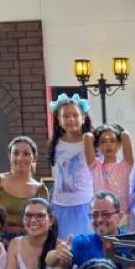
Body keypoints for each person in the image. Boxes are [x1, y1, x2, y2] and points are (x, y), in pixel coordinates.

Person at [0, 136, 50, 243]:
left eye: (26, 154)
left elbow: (44, 224)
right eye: (16, 153)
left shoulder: (41, 190)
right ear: (10, 156)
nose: (20, 158)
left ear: (35, 157)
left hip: (29, 243)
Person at [48, 94, 95, 240]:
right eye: (65, 116)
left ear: (83, 117)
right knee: (63, 245)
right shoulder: (56, 143)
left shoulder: (90, 142)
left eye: (75, 115)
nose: (71, 119)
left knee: (84, 244)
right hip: (60, 205)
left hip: (85, 204)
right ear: (59, 120)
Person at [86, 124, 134, 213]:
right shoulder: (95, 167)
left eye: (112, 141)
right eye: (103, 142)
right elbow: (87, 137)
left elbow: (125, 135)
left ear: (119, 144)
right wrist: (95, 135)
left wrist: (119, 131)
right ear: (97, 146)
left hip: (122, 216)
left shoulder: (125, 166)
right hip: (102, 217)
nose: (108, 145)